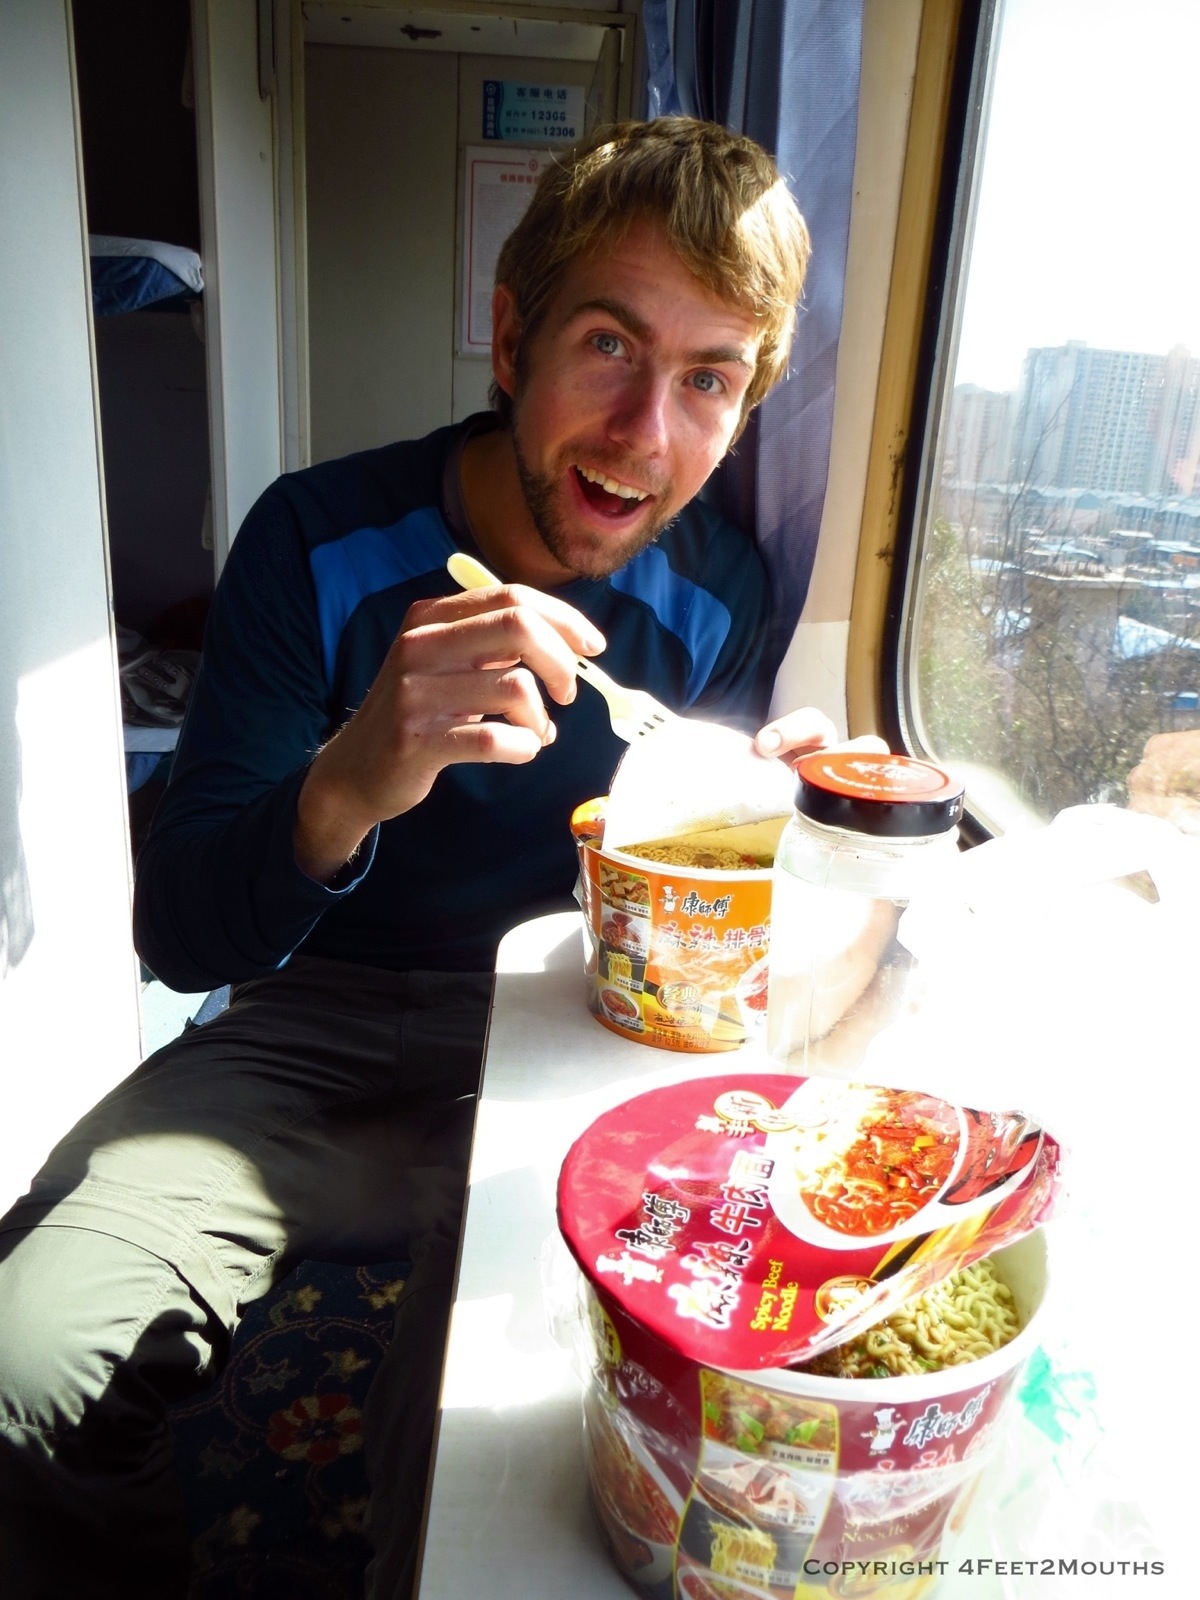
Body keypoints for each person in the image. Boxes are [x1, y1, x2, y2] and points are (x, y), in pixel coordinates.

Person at [0, 116, 871, 1599]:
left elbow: (692, 924)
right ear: (512, 339)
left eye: (708, 380)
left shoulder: (725, 593)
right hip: (306, 1029)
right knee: (23, 1361)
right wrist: (353, 776)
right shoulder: (316, 540)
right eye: (609, 345)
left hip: (571, 1040)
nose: (643, 434)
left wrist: (788, 829)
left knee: (490, 1456)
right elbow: (185, 938)